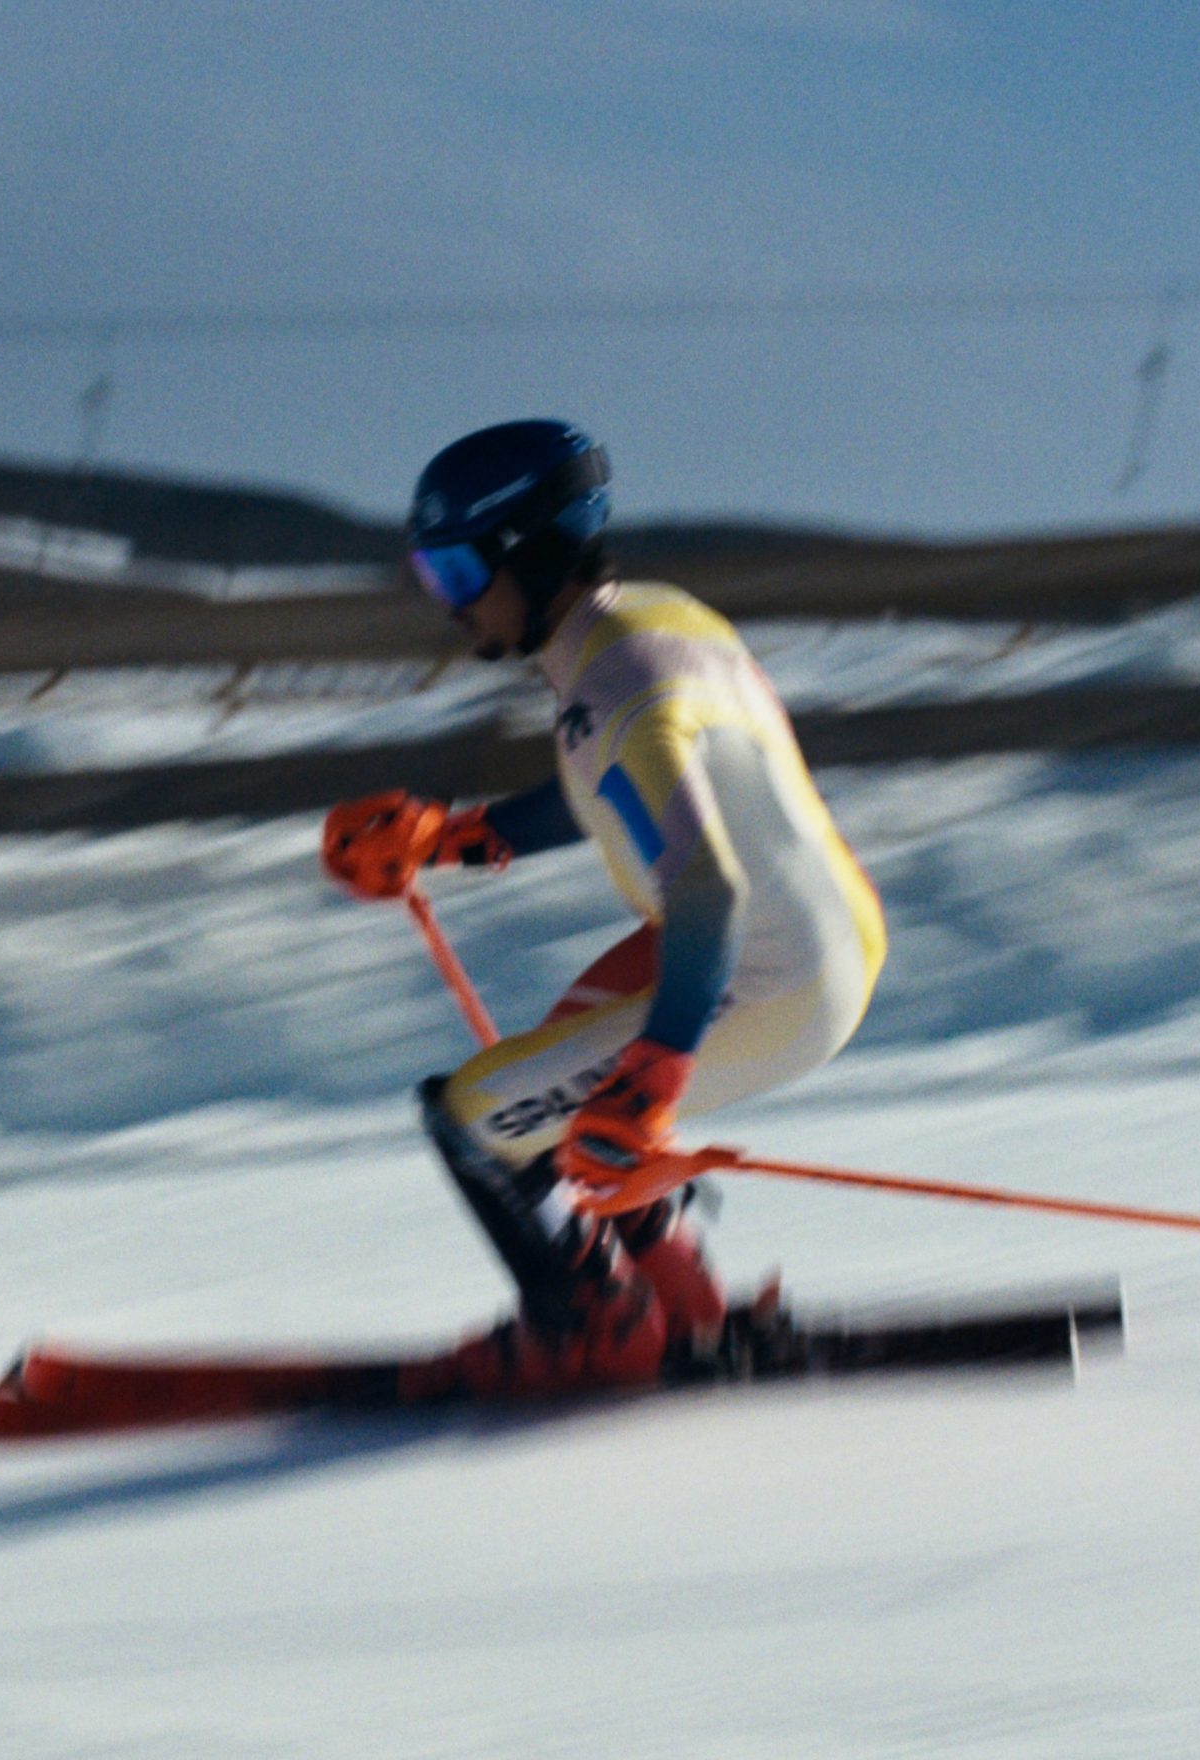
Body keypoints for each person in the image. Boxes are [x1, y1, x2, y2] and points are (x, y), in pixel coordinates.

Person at [321, 420, 889, 1389]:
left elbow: (708, 884)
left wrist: (657, 1074)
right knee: (562, 1081)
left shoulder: (615, 689)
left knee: (473, 1118)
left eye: (457, 576)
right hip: (827, 933)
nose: (451, 608)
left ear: (530, 556)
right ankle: (689, 1308)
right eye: (431, 580)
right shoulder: (647, 623)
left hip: (764, 975)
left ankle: (591, 1325)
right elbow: (606, 792)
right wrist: (454, 837)